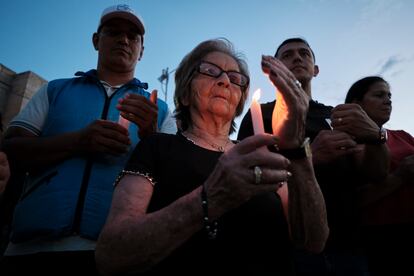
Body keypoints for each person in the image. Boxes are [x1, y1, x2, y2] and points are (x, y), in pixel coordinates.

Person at [95, 38, 329, 275]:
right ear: (185, 94)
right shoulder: (157, 147)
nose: (225, 80)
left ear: (239, 100)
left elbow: (312, 240)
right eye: (210, 71)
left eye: (235, 78)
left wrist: (298, 149)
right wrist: (210, 197)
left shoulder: (261, 155)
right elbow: (111, 253)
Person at [0, 4, 176, 274]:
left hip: (116, 254)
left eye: (133, 36)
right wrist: (78, 141)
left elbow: (172, 182)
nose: (123, 40)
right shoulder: (55, 90)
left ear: (142, 50)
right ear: (96, 41)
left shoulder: (160, 110)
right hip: (30, 249)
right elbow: (11, 152)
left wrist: (150, 137)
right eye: (113, 32)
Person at [238, 38, 389, 275]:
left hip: (348, 240)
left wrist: (377, 137)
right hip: (289, 243)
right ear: (275, 67)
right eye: (287, 55)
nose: (297, 58)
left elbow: (376, 173)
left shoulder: (337, 115)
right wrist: (308, 156)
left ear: (316, 69)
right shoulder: (261, 114)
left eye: (304, 54)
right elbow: (248, 178)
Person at [345, 76, 414, 276]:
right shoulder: (345, 142)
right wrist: (400, 177)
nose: (388, 100)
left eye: (389, 95)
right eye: (379, 95)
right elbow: (347, 201)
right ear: (357, 104)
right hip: (380, 238)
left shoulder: (402, 135)